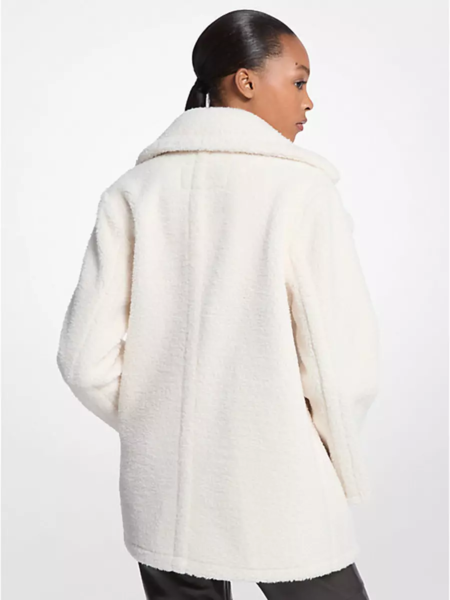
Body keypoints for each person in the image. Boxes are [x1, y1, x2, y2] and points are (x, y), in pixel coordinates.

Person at [56, 8, 380, 600]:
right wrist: (335, 459)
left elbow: (83, 361)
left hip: (166, 493)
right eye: (299, 82)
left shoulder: (132, 192)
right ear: (246, 81)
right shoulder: (302, 192)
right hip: (280, 477)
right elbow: (340, 369)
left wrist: (158, 422)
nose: (308, 102)